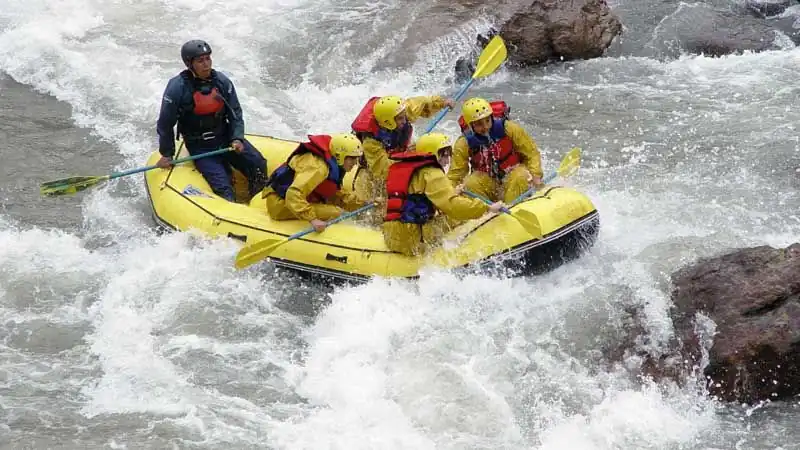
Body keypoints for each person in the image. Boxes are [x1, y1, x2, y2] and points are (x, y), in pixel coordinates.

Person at [156, 39, 267, 202]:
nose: (206, 64)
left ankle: (257, 202)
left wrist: (237, 138)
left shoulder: (221, 82)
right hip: (200, 146)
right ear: (189, 64)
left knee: (258, 163)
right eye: (200, 61)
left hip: (224, 137)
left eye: (208, 58)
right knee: (224, 188)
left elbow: (235, 113)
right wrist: (167, 154)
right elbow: (165, 123)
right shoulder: (177, 87)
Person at [382, 132, 504, 256]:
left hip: (392, 235)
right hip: (413, 239)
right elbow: (453, 206)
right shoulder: (432, 173)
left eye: (449, 154)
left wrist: (453, 192)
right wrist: (487, 208)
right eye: (444, 155)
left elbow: (417, 200)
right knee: (456, 217)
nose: (447, 160)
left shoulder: (406, 168)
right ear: (433, 154)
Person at [350, 95, 454, 198]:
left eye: (404, 116)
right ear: (388, 121)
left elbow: (423, 102)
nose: (405, 121)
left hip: (396, 153)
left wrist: (442, 103)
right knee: (373, 198)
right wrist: (408, 159)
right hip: (372, 169)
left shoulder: (401, 111)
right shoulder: (370, 141)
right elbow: (383, 171)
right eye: (400, 118)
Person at [447, 97, 544, 204]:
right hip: (488, 183)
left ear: (492, 117)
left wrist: (536, 175)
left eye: (487, 121)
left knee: (521, 175)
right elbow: (455, 175)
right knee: (470, 183)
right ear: (470, 125)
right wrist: (449, 195)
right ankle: (485, 211)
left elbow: (531, 153)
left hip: (513, 176)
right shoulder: (463, 143)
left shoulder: (509, 128)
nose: (485, 127)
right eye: (479, 124)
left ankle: (512, 206)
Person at [264, 133, 365, 232]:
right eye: (352, 158)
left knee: (338, 205)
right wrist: (313, 219)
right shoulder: (318, 168)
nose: (355, 162)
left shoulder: (332, 165)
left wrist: (363, 204)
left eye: (357, 158)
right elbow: (293, 194)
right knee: (336, 212)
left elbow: (336, 193)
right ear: (340, 156)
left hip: (291, 199)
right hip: (280, 203)